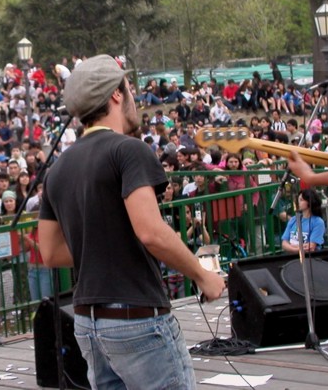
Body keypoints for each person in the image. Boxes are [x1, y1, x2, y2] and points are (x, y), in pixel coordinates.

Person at [38, 54, 225, 390]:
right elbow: (151, 232)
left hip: (87, 321)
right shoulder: (129, 151)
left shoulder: (58, 168)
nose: (134, 97)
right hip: (136, 317)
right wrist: (202, 276)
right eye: (129, 87)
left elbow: (50, 253)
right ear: (116, 94)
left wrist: (107, 249)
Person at [281, 189, 325, 253]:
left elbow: (311, 247)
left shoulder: (318, 222)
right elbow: (284, 244)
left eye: (301, 200)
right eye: (298, 199)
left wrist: (291, 246)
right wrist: (298, 249)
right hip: (292, 257)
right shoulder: (293, 219)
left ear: (309, 202)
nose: (298, 202)